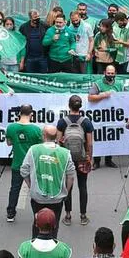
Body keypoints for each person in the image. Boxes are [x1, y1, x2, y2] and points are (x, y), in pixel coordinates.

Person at [21, 126, 75, 239]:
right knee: (54, 224)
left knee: (37, 223)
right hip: (57, 197)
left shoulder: (33, 150)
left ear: (43, 136)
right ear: (56, 136)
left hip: (38, 197)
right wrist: (66, 191)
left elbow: (24, 170)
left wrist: (31, 186)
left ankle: (35, 243)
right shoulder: (65, 153)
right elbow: (70, 176)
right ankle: (53, 243)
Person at [57, 96, 94, 226]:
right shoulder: (86, 122)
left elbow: (58, 142)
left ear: (69, 106)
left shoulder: (62, 122)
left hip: (67, 158)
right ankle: (83, 216)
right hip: (82, 158)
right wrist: (89, 157)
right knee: (83, 186)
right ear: (80, 106)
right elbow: (89, 143)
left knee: (68, 187)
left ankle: (68, 215)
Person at [6, 105, 44, 223]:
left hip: (17, 163)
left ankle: (10, 213)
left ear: (19, 113)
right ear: (31, 114)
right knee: (35, 188)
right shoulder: (36, 130)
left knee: (14, 188)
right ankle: (38, 213)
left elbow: (9, 143)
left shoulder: (11, 127)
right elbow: (40, 147)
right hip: (32, 165)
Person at [88, 65, 121, 169]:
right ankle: (96, 161)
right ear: (104, 73)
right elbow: (90, 97)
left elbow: (126, 96)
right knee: (99, 138)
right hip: (100, 116)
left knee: (110, 138)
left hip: (113, 115)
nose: (110, 75)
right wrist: (103, 95)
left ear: (115, 74)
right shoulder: (97, 84)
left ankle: (108, 160)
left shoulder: (120, 84)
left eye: (112, 73)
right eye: (108, 73)